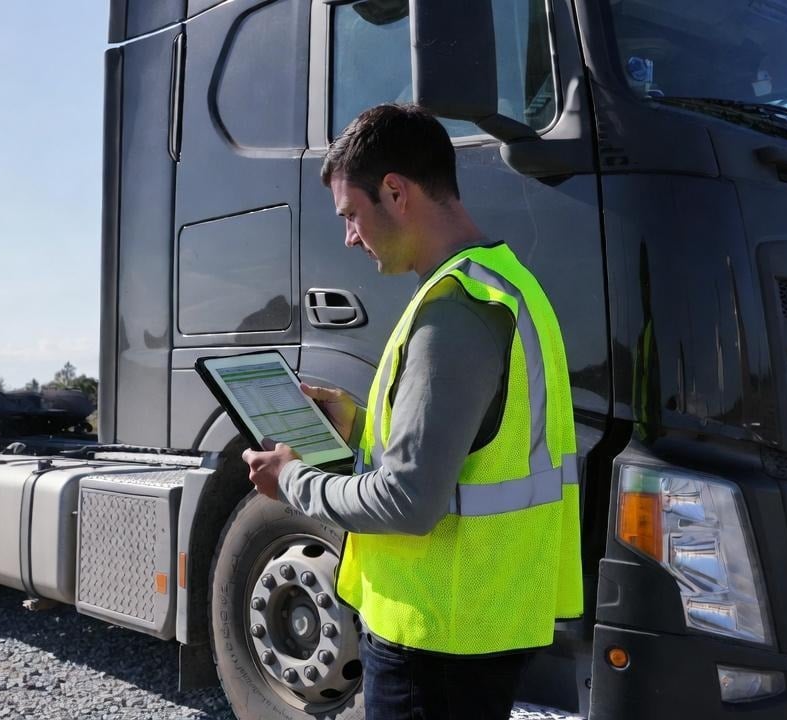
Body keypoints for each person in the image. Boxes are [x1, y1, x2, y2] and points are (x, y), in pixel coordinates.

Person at [241, 103, 581, 720]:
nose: (349, 236)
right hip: (478, 626)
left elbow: (407, 501)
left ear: (394, 191)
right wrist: (354, 421)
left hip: (435, 641)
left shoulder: (454, 311)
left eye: (351, 215)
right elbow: (473, 446)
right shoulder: (503, 285)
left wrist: (290, 480)